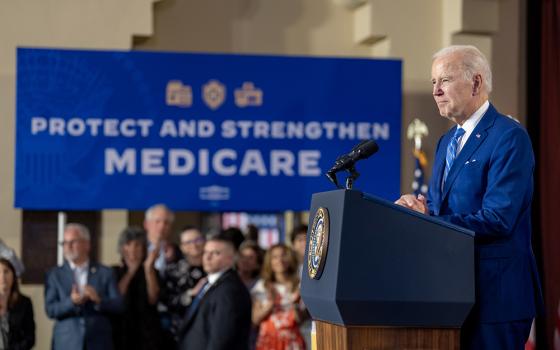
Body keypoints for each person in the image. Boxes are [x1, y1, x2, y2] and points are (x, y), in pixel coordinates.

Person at [395, 45, 543, 349]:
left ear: (475, 83)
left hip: (495, 297)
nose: (436, 91)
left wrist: (430, 222)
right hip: (452, 292)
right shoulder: (446, 141)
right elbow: (438, 208)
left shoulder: (508, 136)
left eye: (445, 81)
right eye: (433, 82)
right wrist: (417, 210)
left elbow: (498, 218)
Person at [45, 223, 123, 350]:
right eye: (64, 243)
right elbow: (50, 309)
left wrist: (99, 300)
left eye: (73, 242)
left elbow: (118, 305)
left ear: (87, 244)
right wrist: (71, 301)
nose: (68, 246)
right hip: (67, 342)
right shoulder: (54, 275)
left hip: (98, 342)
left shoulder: (105, 272)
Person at [179, 236, 252, 350]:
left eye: (216, 253)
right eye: (206, 252)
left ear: (231, 258)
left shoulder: (229, 291)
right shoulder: (209, 283)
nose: (207, 257)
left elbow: (221, 338)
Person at [112, 226, 162, 350]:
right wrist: (131, 272)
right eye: (128, 244)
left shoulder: (151, 271)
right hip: (121, 331)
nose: (133, 249)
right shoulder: (114, 271)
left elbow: (153, 298)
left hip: (147, 333)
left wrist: (148, 268)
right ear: (122, 247)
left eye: (138, 245)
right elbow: (117, 297)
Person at [251, 244, 306, 350]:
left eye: (284, 255)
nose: (280, 260)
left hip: (292, 342)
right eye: (275, 257)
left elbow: (301, 320)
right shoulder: (262, 286)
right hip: (268, 341)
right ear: (269, 262)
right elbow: (255, 320)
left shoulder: (300, 285)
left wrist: (295, 305)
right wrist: (270, 304)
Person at [163, 226, 207, 340]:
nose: (194, 245)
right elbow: (167, 302)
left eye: (198, 240)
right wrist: (191, 293)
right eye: (188, 242)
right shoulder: (173, 271)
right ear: (182, 247)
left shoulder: (215, 268)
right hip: (182, 333)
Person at [0, 258, 35, 350]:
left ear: (13, 276)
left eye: (6, 271)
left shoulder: (24, 303)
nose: (2, 277)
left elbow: (30, 338)